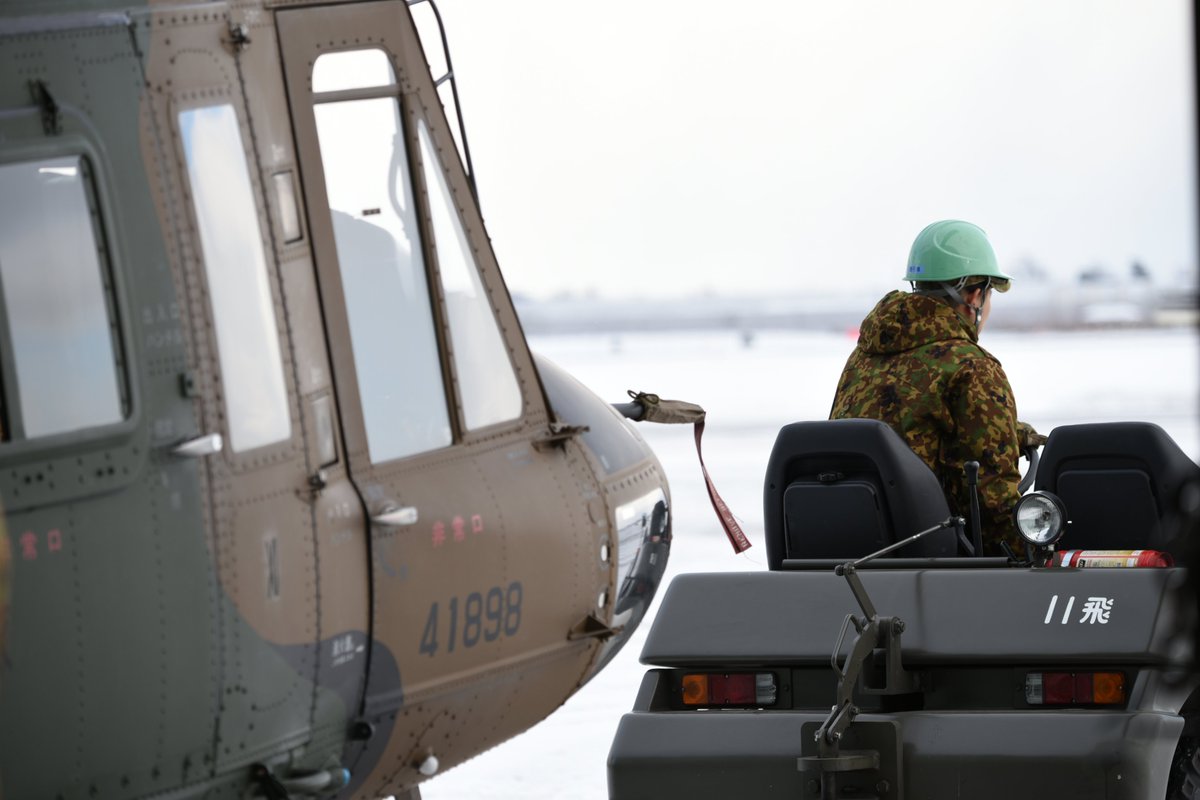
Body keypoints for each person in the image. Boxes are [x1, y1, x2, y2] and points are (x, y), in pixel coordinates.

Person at [829, 219, 1041, 556]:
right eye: (988, 294)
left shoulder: (863, 358)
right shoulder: (973, 368)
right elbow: (993, 505)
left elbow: (907, 429)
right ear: (974, 294)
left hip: (852, 555)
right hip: (940, 568)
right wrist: (1040, 554)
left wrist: (1007, 435)